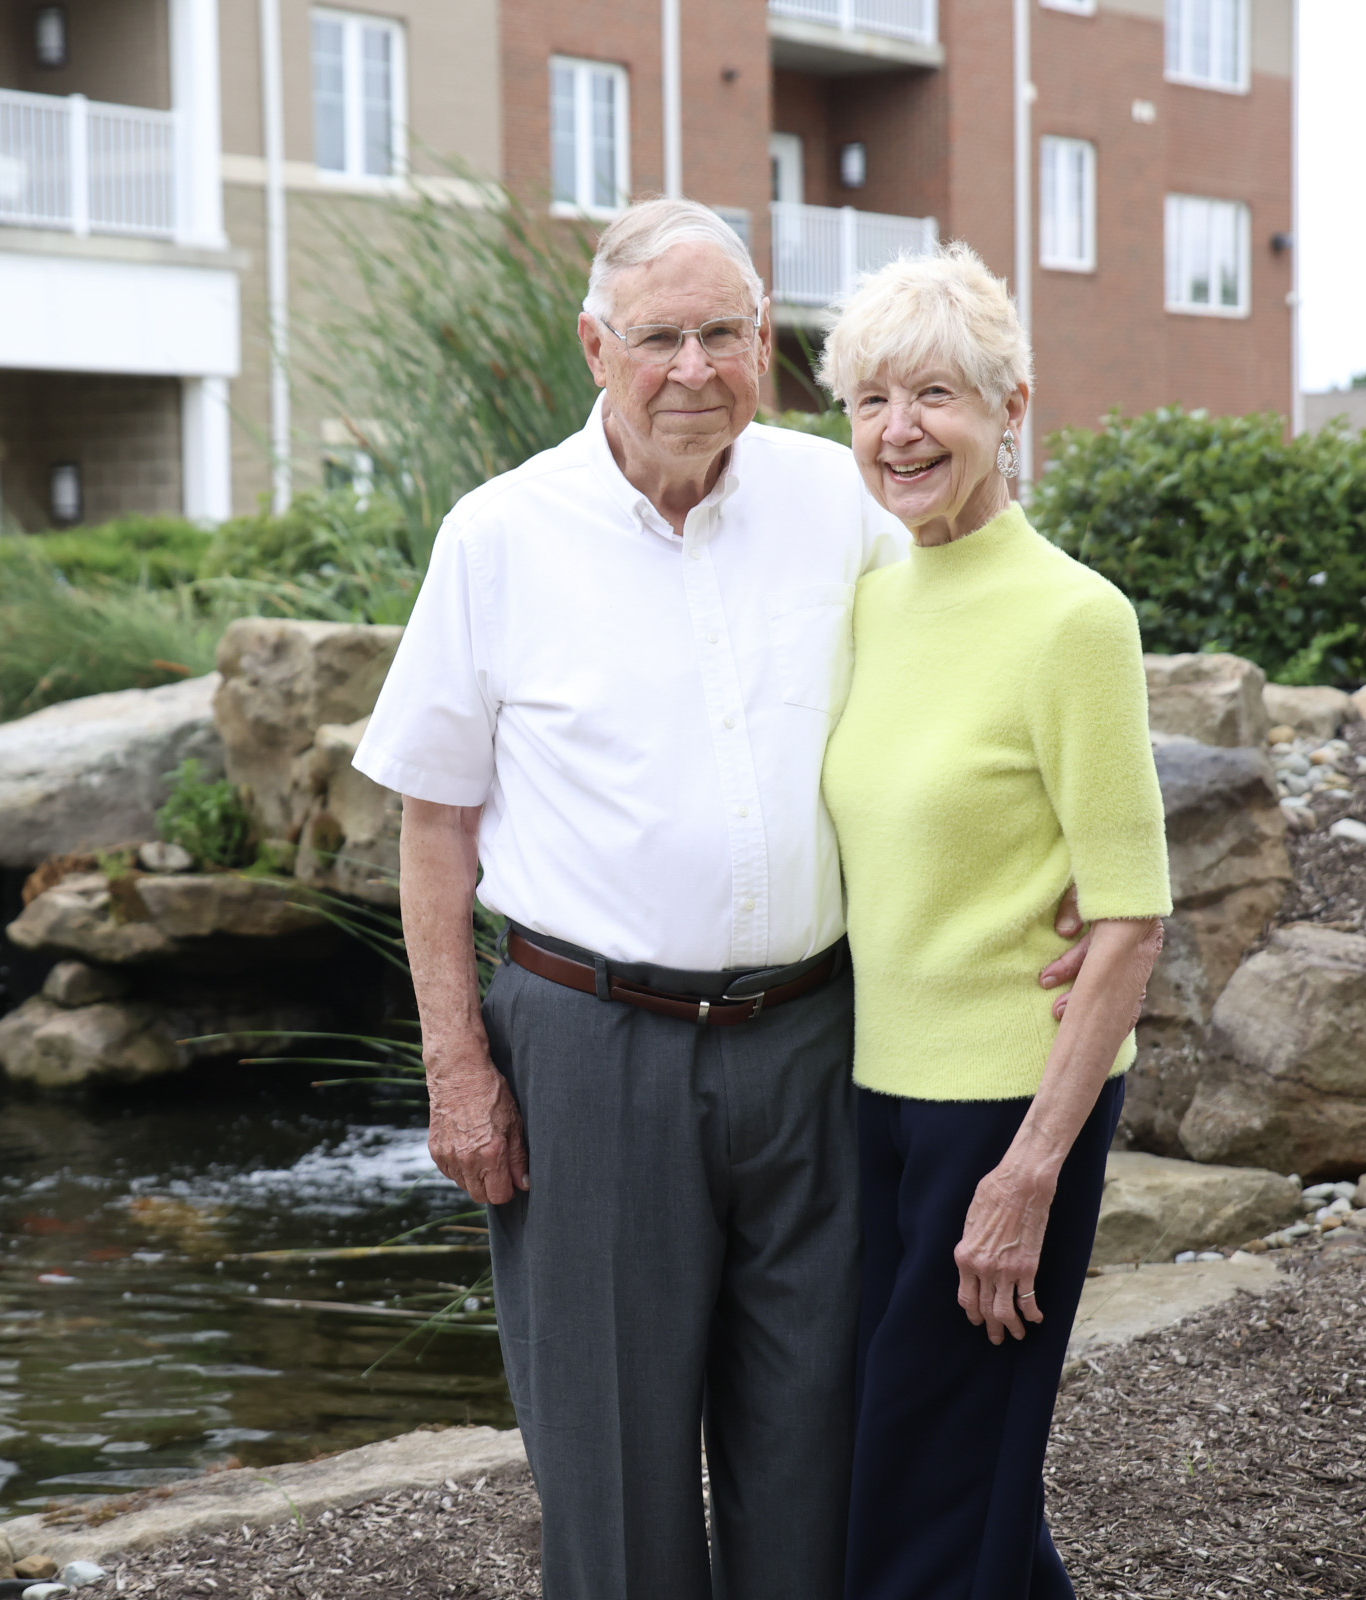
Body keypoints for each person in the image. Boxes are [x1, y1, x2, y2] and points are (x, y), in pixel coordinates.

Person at [349, 196, 913, 1600]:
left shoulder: (837, 500)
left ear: (763, 339)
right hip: (588, 1055)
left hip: (815, 1043)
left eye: (725, 332)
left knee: (817, 1453)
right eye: (660, 335)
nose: (694, 367)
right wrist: (455, 1066)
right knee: (612, 1483)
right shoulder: (499, 535)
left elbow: (955, 704)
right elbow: (433, 820)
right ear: (597, 345)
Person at [816, 242, 1172, 1600]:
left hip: (1006, 1116)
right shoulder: (865, 603)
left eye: (934, 398)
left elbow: (1131, 921)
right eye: (867, 402)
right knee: (938, 1486)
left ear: (1010, 408)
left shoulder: (1075, 619)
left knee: (925, 1502)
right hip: (874, 1103)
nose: (898, 432)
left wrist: (1027, 1175)